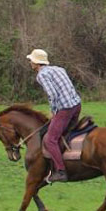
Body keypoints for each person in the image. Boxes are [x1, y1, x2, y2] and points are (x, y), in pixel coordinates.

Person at [27, 49, 81, 183]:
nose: (30, 62)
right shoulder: (59, 69)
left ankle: (61, 171)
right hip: (76, 105)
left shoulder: (42, 75)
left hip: (65, 109)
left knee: (50, 139)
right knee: (65, 133)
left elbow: (52, 95)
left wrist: (53, 111)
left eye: (31, 60)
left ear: (36, 63)